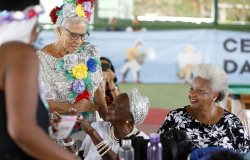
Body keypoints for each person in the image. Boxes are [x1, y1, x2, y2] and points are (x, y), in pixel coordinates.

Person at [0, 0, 76, 159]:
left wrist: (41, 124)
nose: (35, 34)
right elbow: (22, 131)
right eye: (35, 26)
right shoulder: (19, 52)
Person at [36, 1, 107, 140]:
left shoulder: (88, 53)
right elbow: (37, 102)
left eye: (82, 35)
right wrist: (73, 107)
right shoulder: (39, 60)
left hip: (88, 133)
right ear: (59, 30)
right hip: (56, 134)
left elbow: (99, 96)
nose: (78, 41)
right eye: (73, 35)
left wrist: (112, 127)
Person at [158, 63, 250, 153]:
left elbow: (246, 155)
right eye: (191, 89)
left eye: (199, 90)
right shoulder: (175, 117)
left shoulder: (232, 122)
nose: (192, 94)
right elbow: (156, 148)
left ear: (215, 95)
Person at [64, 88, 149, 160]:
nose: (109, 107)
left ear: (129, 117)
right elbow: (80, 157)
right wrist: (65, 135)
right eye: (112, 103)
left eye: (116, 105)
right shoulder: (98, 127)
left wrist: (91, 132)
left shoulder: (142, 142)